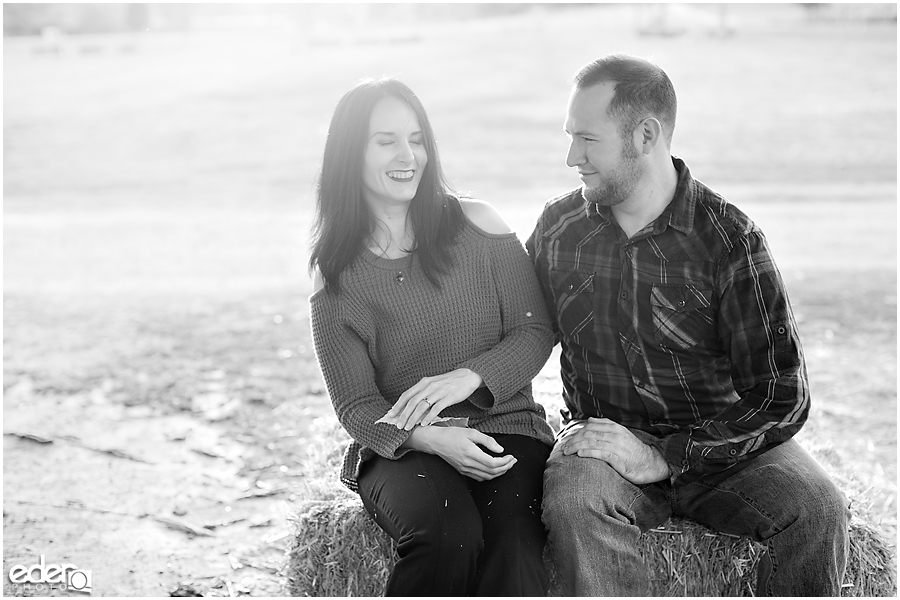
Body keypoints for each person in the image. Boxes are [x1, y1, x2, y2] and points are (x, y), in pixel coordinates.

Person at [526, 54, 850, 596]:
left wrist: (665, 457)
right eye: (570, 137)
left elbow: (783, 394)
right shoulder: (559, 230)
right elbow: (519, 329)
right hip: (605, 441)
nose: (570, 158)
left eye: (587, 139)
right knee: (573, 501)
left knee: (816, 509)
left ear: (646, 135)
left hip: (722, 448)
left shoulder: (728, 241)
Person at [309, 78, 555, 597]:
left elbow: (535, 330)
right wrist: (429, 436)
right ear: (350, 153)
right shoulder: (335, 276)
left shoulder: (479, 224)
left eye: (417, 139)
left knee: (512, 545)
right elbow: (355, 405)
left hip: (505, 428)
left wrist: (470, 378)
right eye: (386, 141)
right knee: (447, 534)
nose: (408, 155)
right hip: (405, 448)